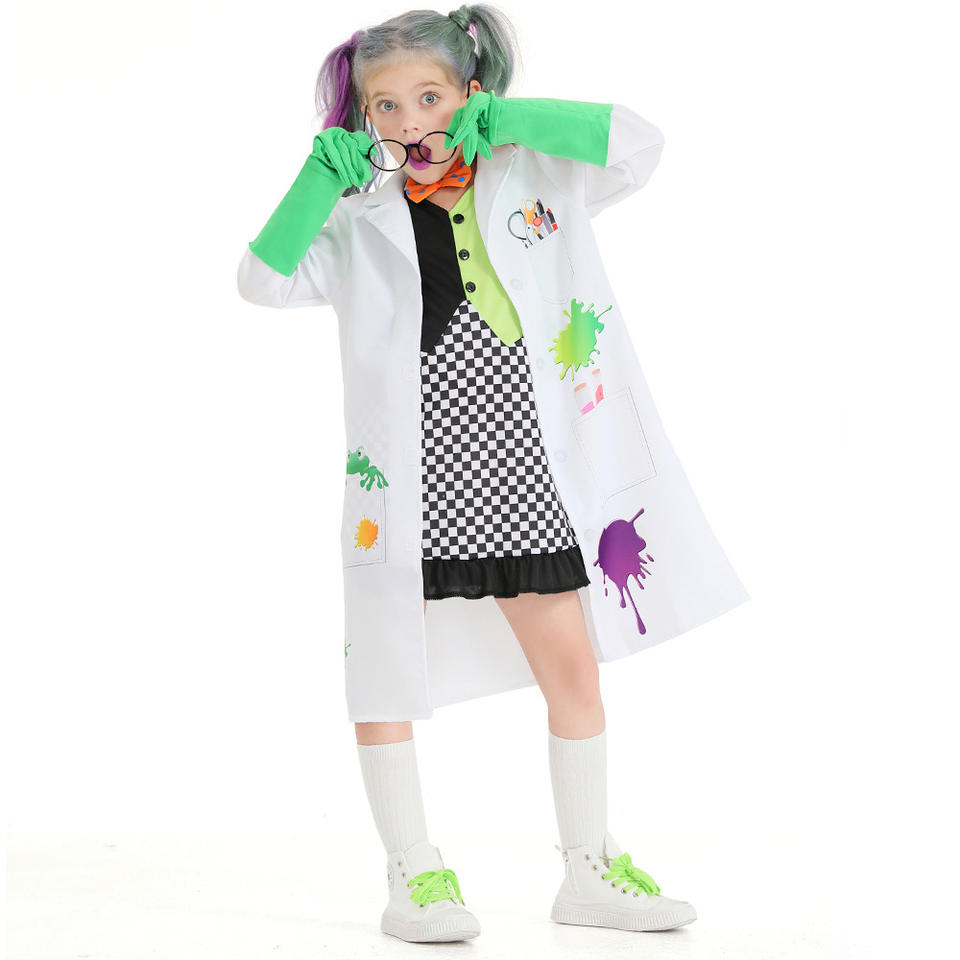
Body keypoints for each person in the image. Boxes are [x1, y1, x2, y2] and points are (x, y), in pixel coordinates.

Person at [239, 2, 748, 944]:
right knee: (385, 677)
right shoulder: (355, 220)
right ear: (362, 118)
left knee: (574, 669)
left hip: (523, 477)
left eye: (430, 98)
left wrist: (508, 120)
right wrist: (316, 181)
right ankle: (413, 875)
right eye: (385, 107)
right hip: (411, 491)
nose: (409, 124)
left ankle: (588, 868)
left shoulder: (533, 175)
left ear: (469, 94)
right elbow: (262, 280)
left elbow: (637, 143)